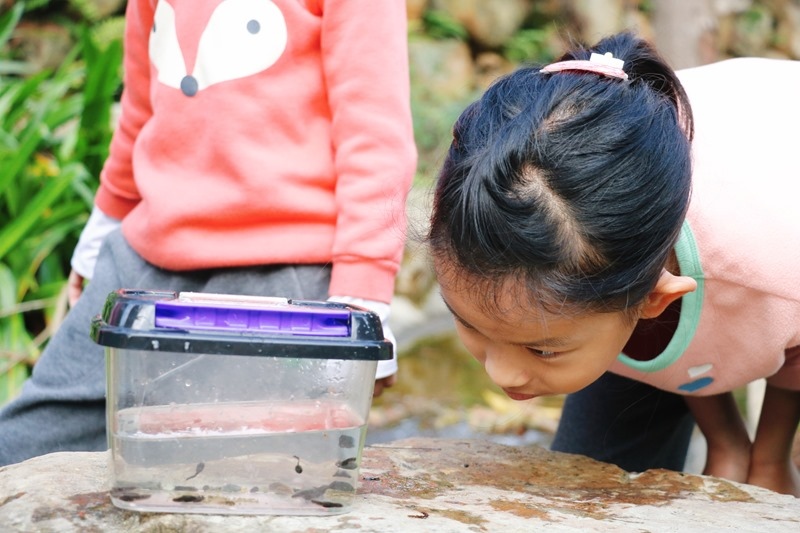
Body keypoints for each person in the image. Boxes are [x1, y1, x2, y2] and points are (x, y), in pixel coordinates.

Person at [0, 0, 416, 466]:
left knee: (257, 471)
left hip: (286, 280)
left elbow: (375, 136)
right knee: (21, 441)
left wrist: (364, 303)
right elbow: (143, 107)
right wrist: (100, 232)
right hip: (139, 263)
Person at [428, 31, 800, 496]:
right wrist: (725, 440)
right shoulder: (481, 200)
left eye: (541, 349)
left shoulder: (772, 273)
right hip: (616, 288)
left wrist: (769, 457)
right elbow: (689, 349)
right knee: (585, 487)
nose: (500, 374)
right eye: (470, 323)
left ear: (651, 299)